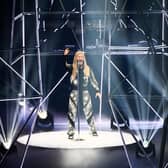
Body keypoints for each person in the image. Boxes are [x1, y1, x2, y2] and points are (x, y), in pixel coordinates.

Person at [64, 48, 101, 139]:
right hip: (74, 92)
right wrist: (65, 56)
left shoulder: (88, 69)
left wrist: (97, 90)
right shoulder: (72, 67)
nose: (80, 58)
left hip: (85, 92)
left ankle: (93, 130)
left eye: (82, 56)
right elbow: (65, 65)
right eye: (78, 56)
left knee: (89, 111)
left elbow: (93, 80)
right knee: (71, 113)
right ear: (76, 58)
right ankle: (71, 132)